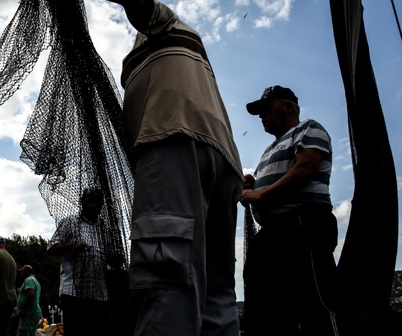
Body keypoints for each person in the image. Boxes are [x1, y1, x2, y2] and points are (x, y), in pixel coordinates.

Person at [107, 1, 244, 335]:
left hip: (174, 140)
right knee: (216, 291)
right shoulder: (188, 49)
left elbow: (143, 7)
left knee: (165, 281)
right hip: (224, 163)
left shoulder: (166, 25)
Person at [241, 85, 338, 336]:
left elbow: (307, 167)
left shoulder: (308, 128)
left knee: (313, 300)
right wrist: (254, 185)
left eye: (266, 108)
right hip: (273, 231)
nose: (261, 115)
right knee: (266, 303)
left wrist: (261, 193)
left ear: (288, 107)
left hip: (303, 224)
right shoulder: (269, 149)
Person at [47, 187, 109, 336]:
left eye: (96, 201)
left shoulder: (104, 229)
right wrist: (75, 246)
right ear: (82, 202)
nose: (92, 204)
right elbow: (51, 248)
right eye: (89, 200)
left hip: (99, 293)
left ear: (101, 204)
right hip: (73, 292)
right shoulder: (69, 222)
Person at [16, 265, 42, 336]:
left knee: (22, 333)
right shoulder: (35, 281)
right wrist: (21, 291)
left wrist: (23, 309)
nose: (21, 274)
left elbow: (31, 294)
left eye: (22, 272)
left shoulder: (29, 279)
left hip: (28, 314)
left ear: (27, 272)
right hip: (35, 313)